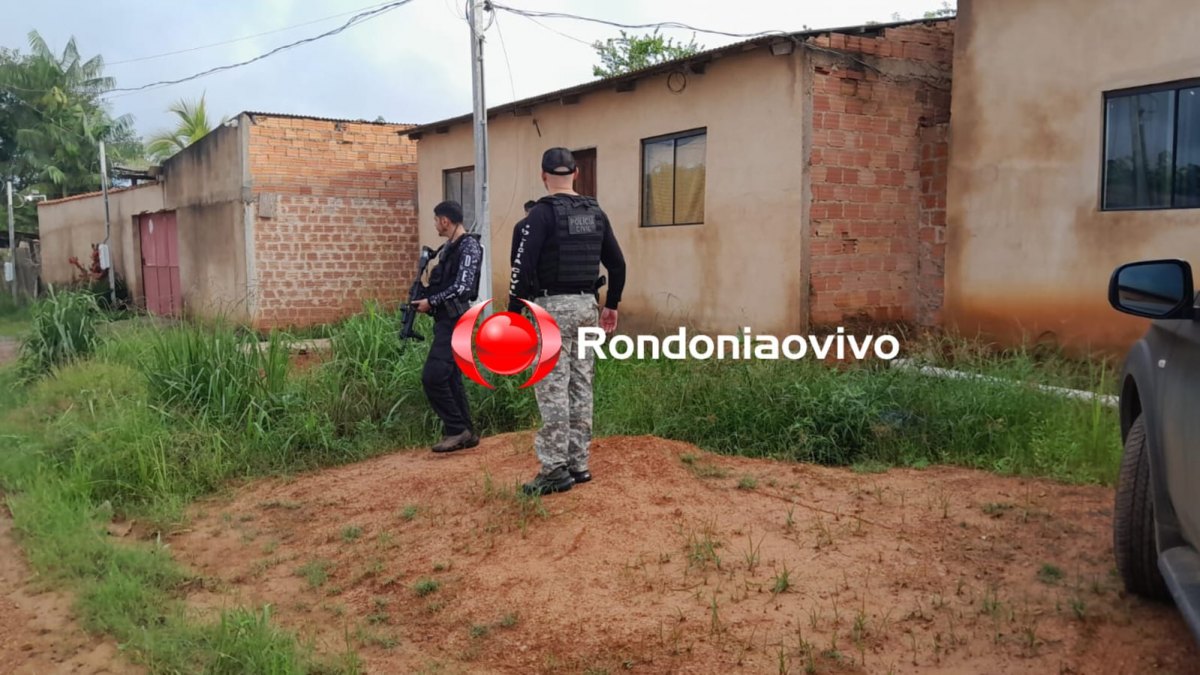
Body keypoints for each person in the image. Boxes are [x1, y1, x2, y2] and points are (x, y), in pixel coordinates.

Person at [508, 148, 626, 495]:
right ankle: (579, 463)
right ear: (575, 173)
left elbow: (521, 269)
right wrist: (612, 305)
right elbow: (617, 265)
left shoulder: (539, 217)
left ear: (543, 175)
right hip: (588, 307)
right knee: (581, 384)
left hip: (551, 310)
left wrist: (514, 314)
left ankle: (554, 469)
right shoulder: (595, 212)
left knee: (553, 386)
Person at [415, 200, 484, 453]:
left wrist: (431, 300)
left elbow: (463, 288)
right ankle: (465, 431)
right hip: (445, 319)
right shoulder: (447, 248)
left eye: (436, 220)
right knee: (450, 376)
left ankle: (456, 429)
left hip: (458, 321)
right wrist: (427, 300)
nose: (435, 225)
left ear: (445, 220)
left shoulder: (469, 246)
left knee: (432, 376)